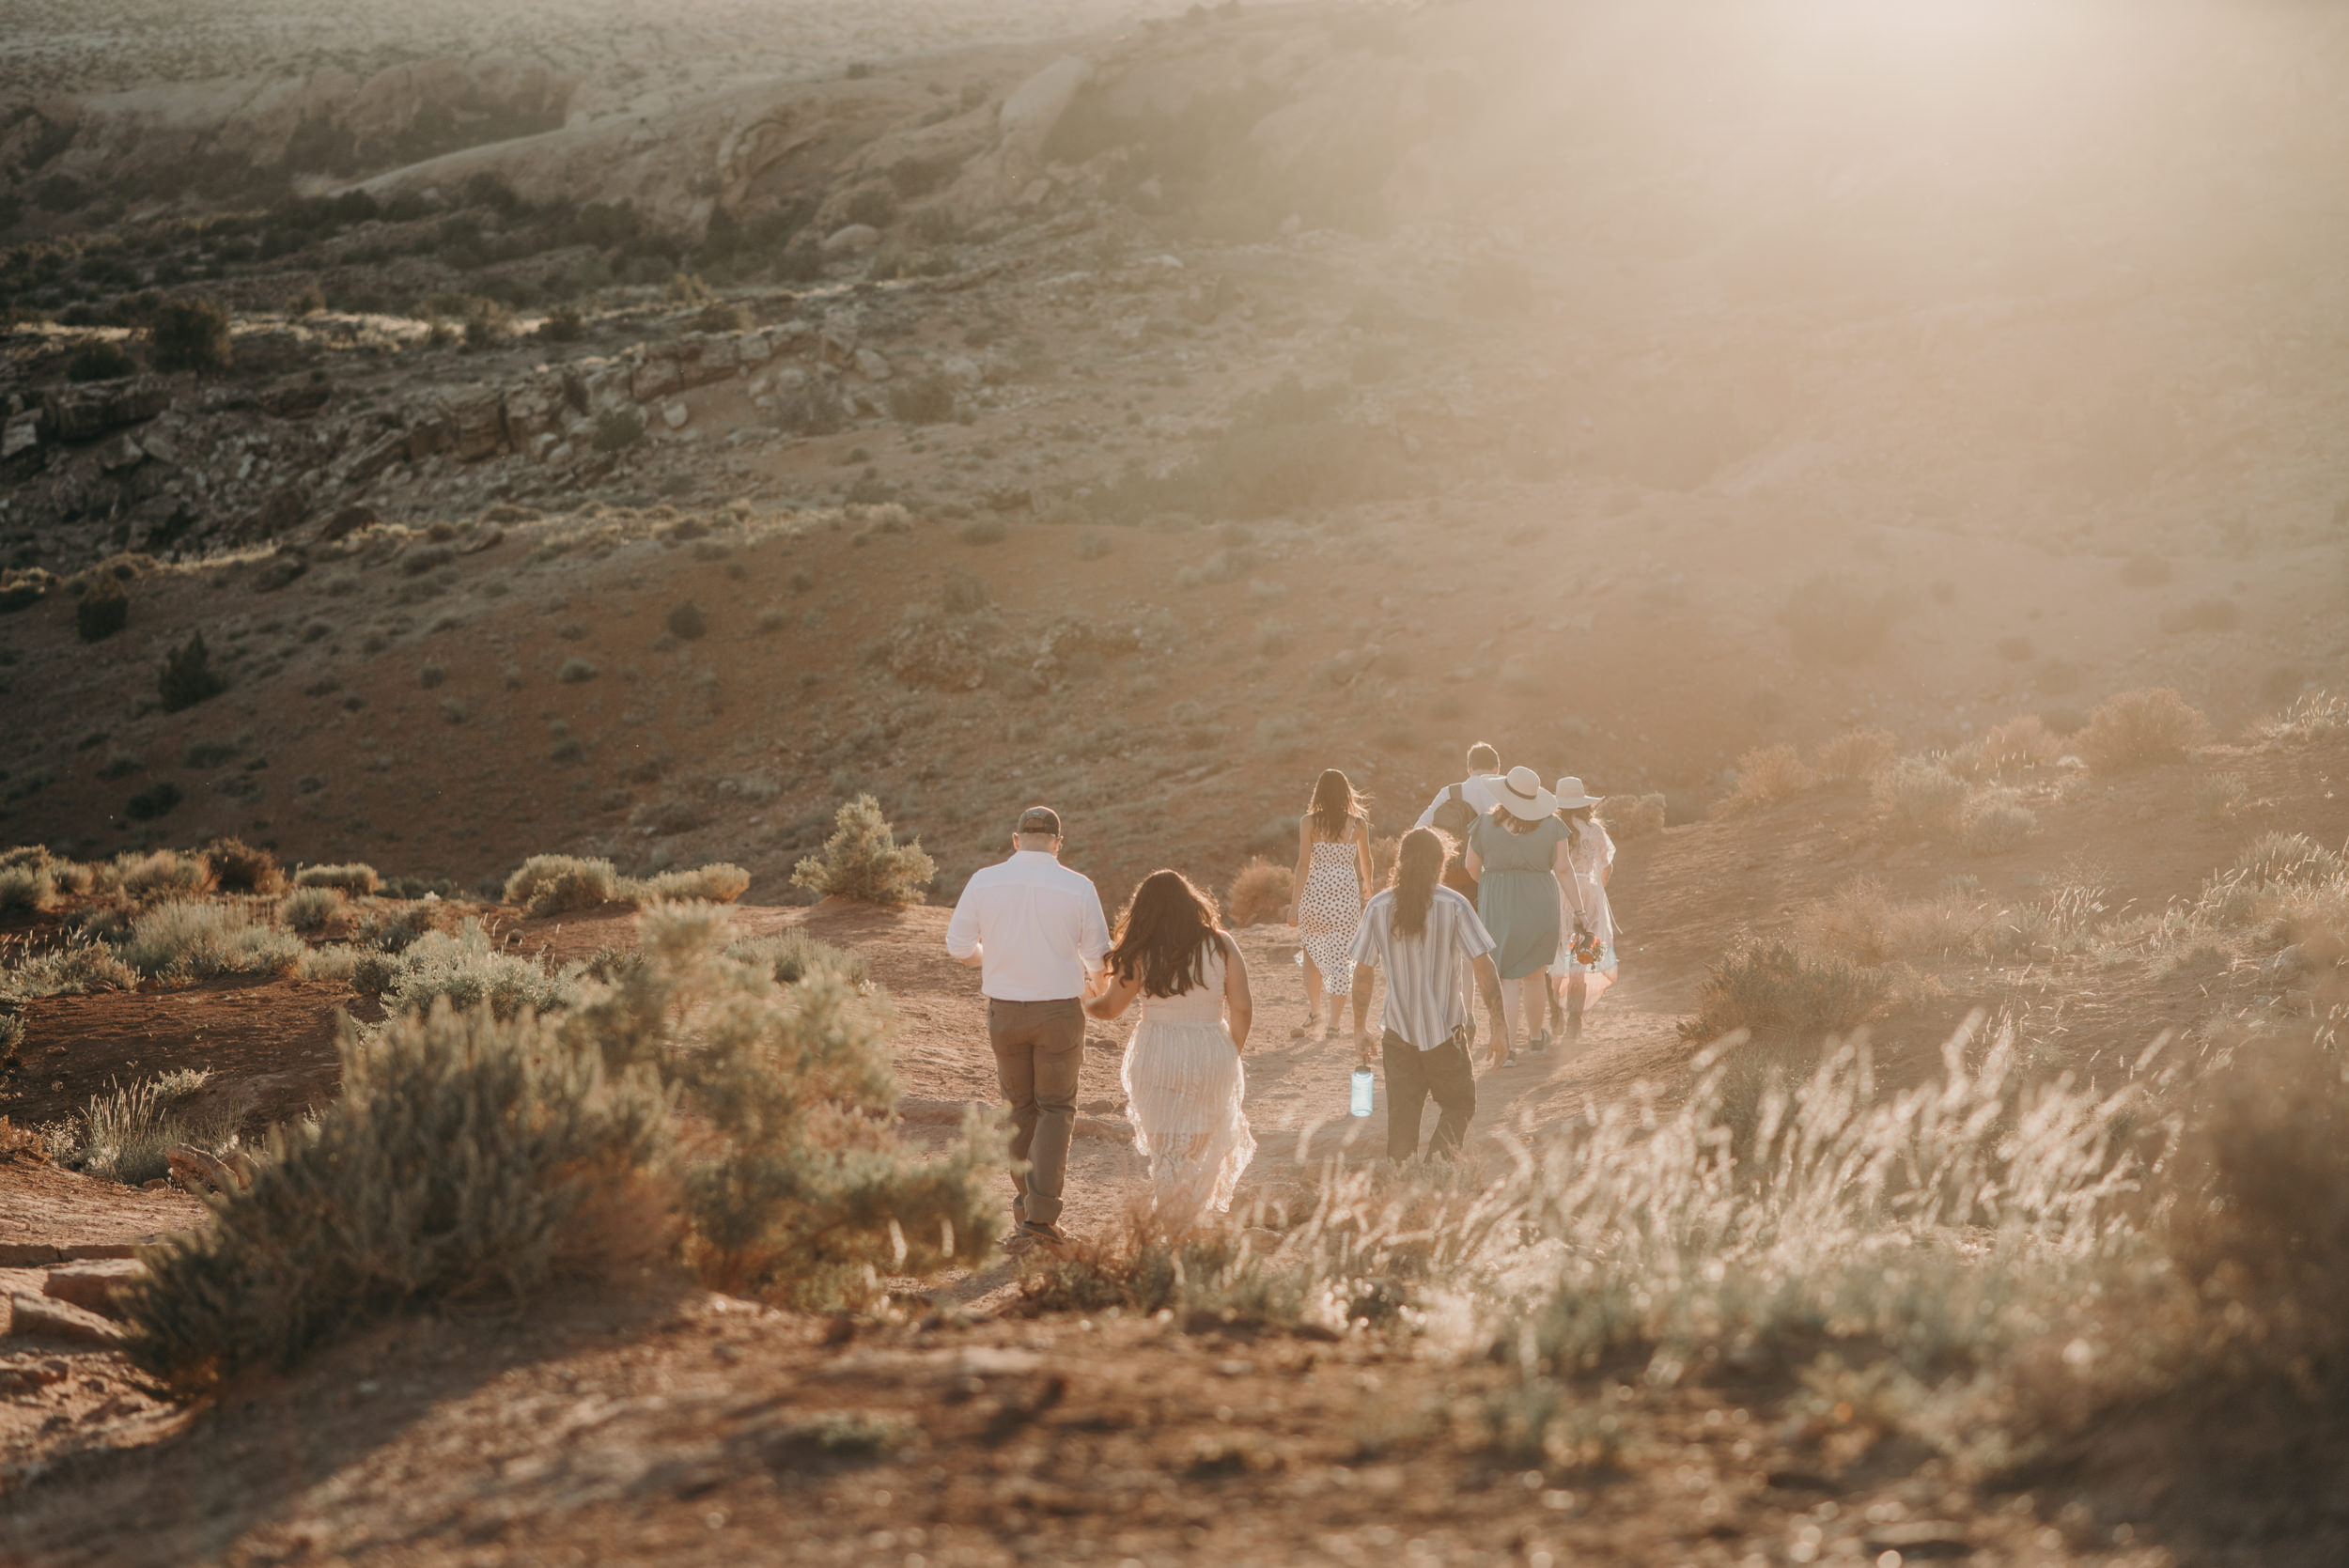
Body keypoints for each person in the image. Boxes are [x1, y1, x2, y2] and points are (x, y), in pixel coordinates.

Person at [944, 805, 1112, 1255]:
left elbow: (958, 946)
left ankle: (1026, 1211)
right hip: (1059, 1012)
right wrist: (1099, 994)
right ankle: (1039, 1217)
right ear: (1059, 843)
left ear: (1015, 839)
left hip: (1005, 1012)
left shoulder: (984, 880)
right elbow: (1099, 955)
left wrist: (991, 956)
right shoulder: (1078, 886)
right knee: (1056, 1109)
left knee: (1019, 1108)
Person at [1084, 870, 1256, 1227]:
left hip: (1158, 1052)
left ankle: (1174, 1230)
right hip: (1210, 1048)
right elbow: (1242, 1007)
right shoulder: (1222, 944)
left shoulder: (1141, 952)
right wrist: (1229, 1054)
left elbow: (1110, 1008)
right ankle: (1188, 1222)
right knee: (1198, 1149)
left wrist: (1085, 1000)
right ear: (1191, 903)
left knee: (1167, 1154)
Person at [1348, 827, 1507, 1162]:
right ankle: (1438, 1171)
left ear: (1401, 862)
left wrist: (1359, 1028)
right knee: (1460, 1103)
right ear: (1441, 863)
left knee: (1402, 1122)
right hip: (1445, 1033)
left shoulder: (1378, 907)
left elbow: (1363, 974)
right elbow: (1484, 966)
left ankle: (1402, 1186)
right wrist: (1499, 1027)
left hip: (1397, 1032)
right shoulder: (1454, 905)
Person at [1463, 766, 1571, 1067]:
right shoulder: (1553, 826)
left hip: (1498, 899)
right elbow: (1562, 867)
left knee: (1507, 976)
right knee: (1535, 974)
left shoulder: (1483, 825)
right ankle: (1536, 1039)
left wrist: (1492, 884)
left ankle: (1508, 1047)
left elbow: (1471, 867)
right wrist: (1581, 908)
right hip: (1540, 899)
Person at [1287, 768, 1373, 1040]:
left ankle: (1316, 1013)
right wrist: (1368, 887)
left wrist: (1294, 905)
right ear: (1347, 793)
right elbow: (1366, 862)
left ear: (1319, 793)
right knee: (1342, 958)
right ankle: (1334, 1025)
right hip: (1345, 899)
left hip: (1314, 895)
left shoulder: (1308, 822)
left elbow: (1302, 865)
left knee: (1311, 952)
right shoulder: (1358, 825)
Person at [1547, 777, 1618, 1049]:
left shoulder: (1551, 828)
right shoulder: (1596, 830)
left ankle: (1555, 1013)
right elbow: (1607, 866)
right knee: (1582, 957)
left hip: (1558, 891)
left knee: (1552, 954)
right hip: (1589, 893)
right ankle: (1575, 1018)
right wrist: (1596, 889)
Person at [1413, 742, 1505, 903]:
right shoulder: (1508, 794)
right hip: (1496, 876)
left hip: (1456, 876)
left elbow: (1419, 828)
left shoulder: (1450, 792)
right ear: (1497, 768)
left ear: (1469, 767)